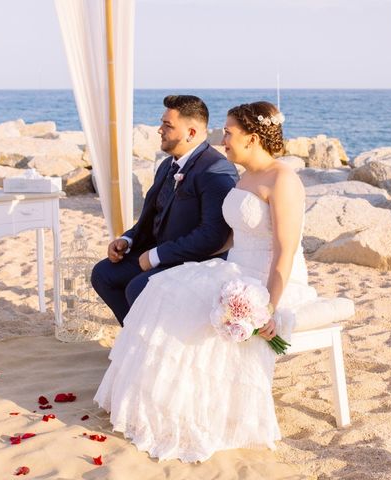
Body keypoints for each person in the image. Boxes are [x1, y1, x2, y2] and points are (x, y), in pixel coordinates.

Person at [94, 101, 318, 462]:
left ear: (253, 138)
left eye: (229, 133)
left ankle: (187, 402)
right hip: (235, 268)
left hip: (270, 278)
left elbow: (284, 253)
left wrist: (268, 305)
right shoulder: (243, 175)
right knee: (163, 291)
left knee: (179, 302)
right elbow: (234, 235)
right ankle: (160, 394)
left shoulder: (283, 180)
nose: (222, 139)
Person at [90, 95, 239, 326]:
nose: (159, 130)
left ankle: (146, 344)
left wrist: (156, 256)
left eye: (167, 125)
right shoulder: (166, 166)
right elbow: (153, 216)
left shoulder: (215, 169)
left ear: (191, 133)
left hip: (196, 260)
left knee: (138, 288)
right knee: (104, 274)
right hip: (159, 251)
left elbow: (212, 236)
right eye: (162, 123)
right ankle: (135, 340)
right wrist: (128, 239)